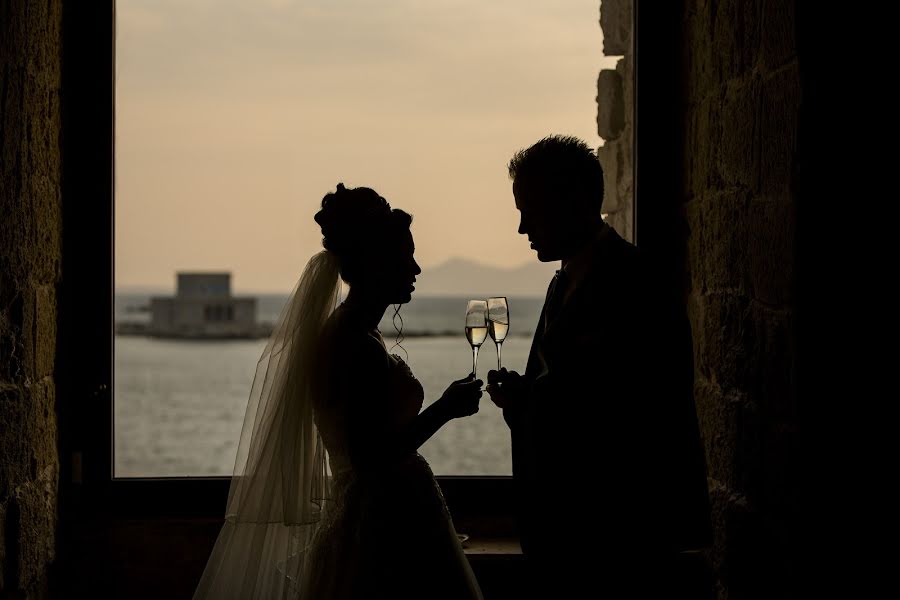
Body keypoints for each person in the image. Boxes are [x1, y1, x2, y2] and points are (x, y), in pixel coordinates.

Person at [194, 184, 484, 600]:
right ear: (376, 263)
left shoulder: (357, 333)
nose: (416, 269)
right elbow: (369, 456)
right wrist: (444, 409)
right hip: (378, 528)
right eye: (406, 256)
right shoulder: (352, 343)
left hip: (387, 516)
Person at [487, 135, 712, 598]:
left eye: (529, 208)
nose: (522, 227)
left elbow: (628, 408)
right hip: (564, 540)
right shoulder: (564, 281)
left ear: (574, 201)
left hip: (618, 542)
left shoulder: (637, 282)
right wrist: (521, 400)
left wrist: (531, 400)